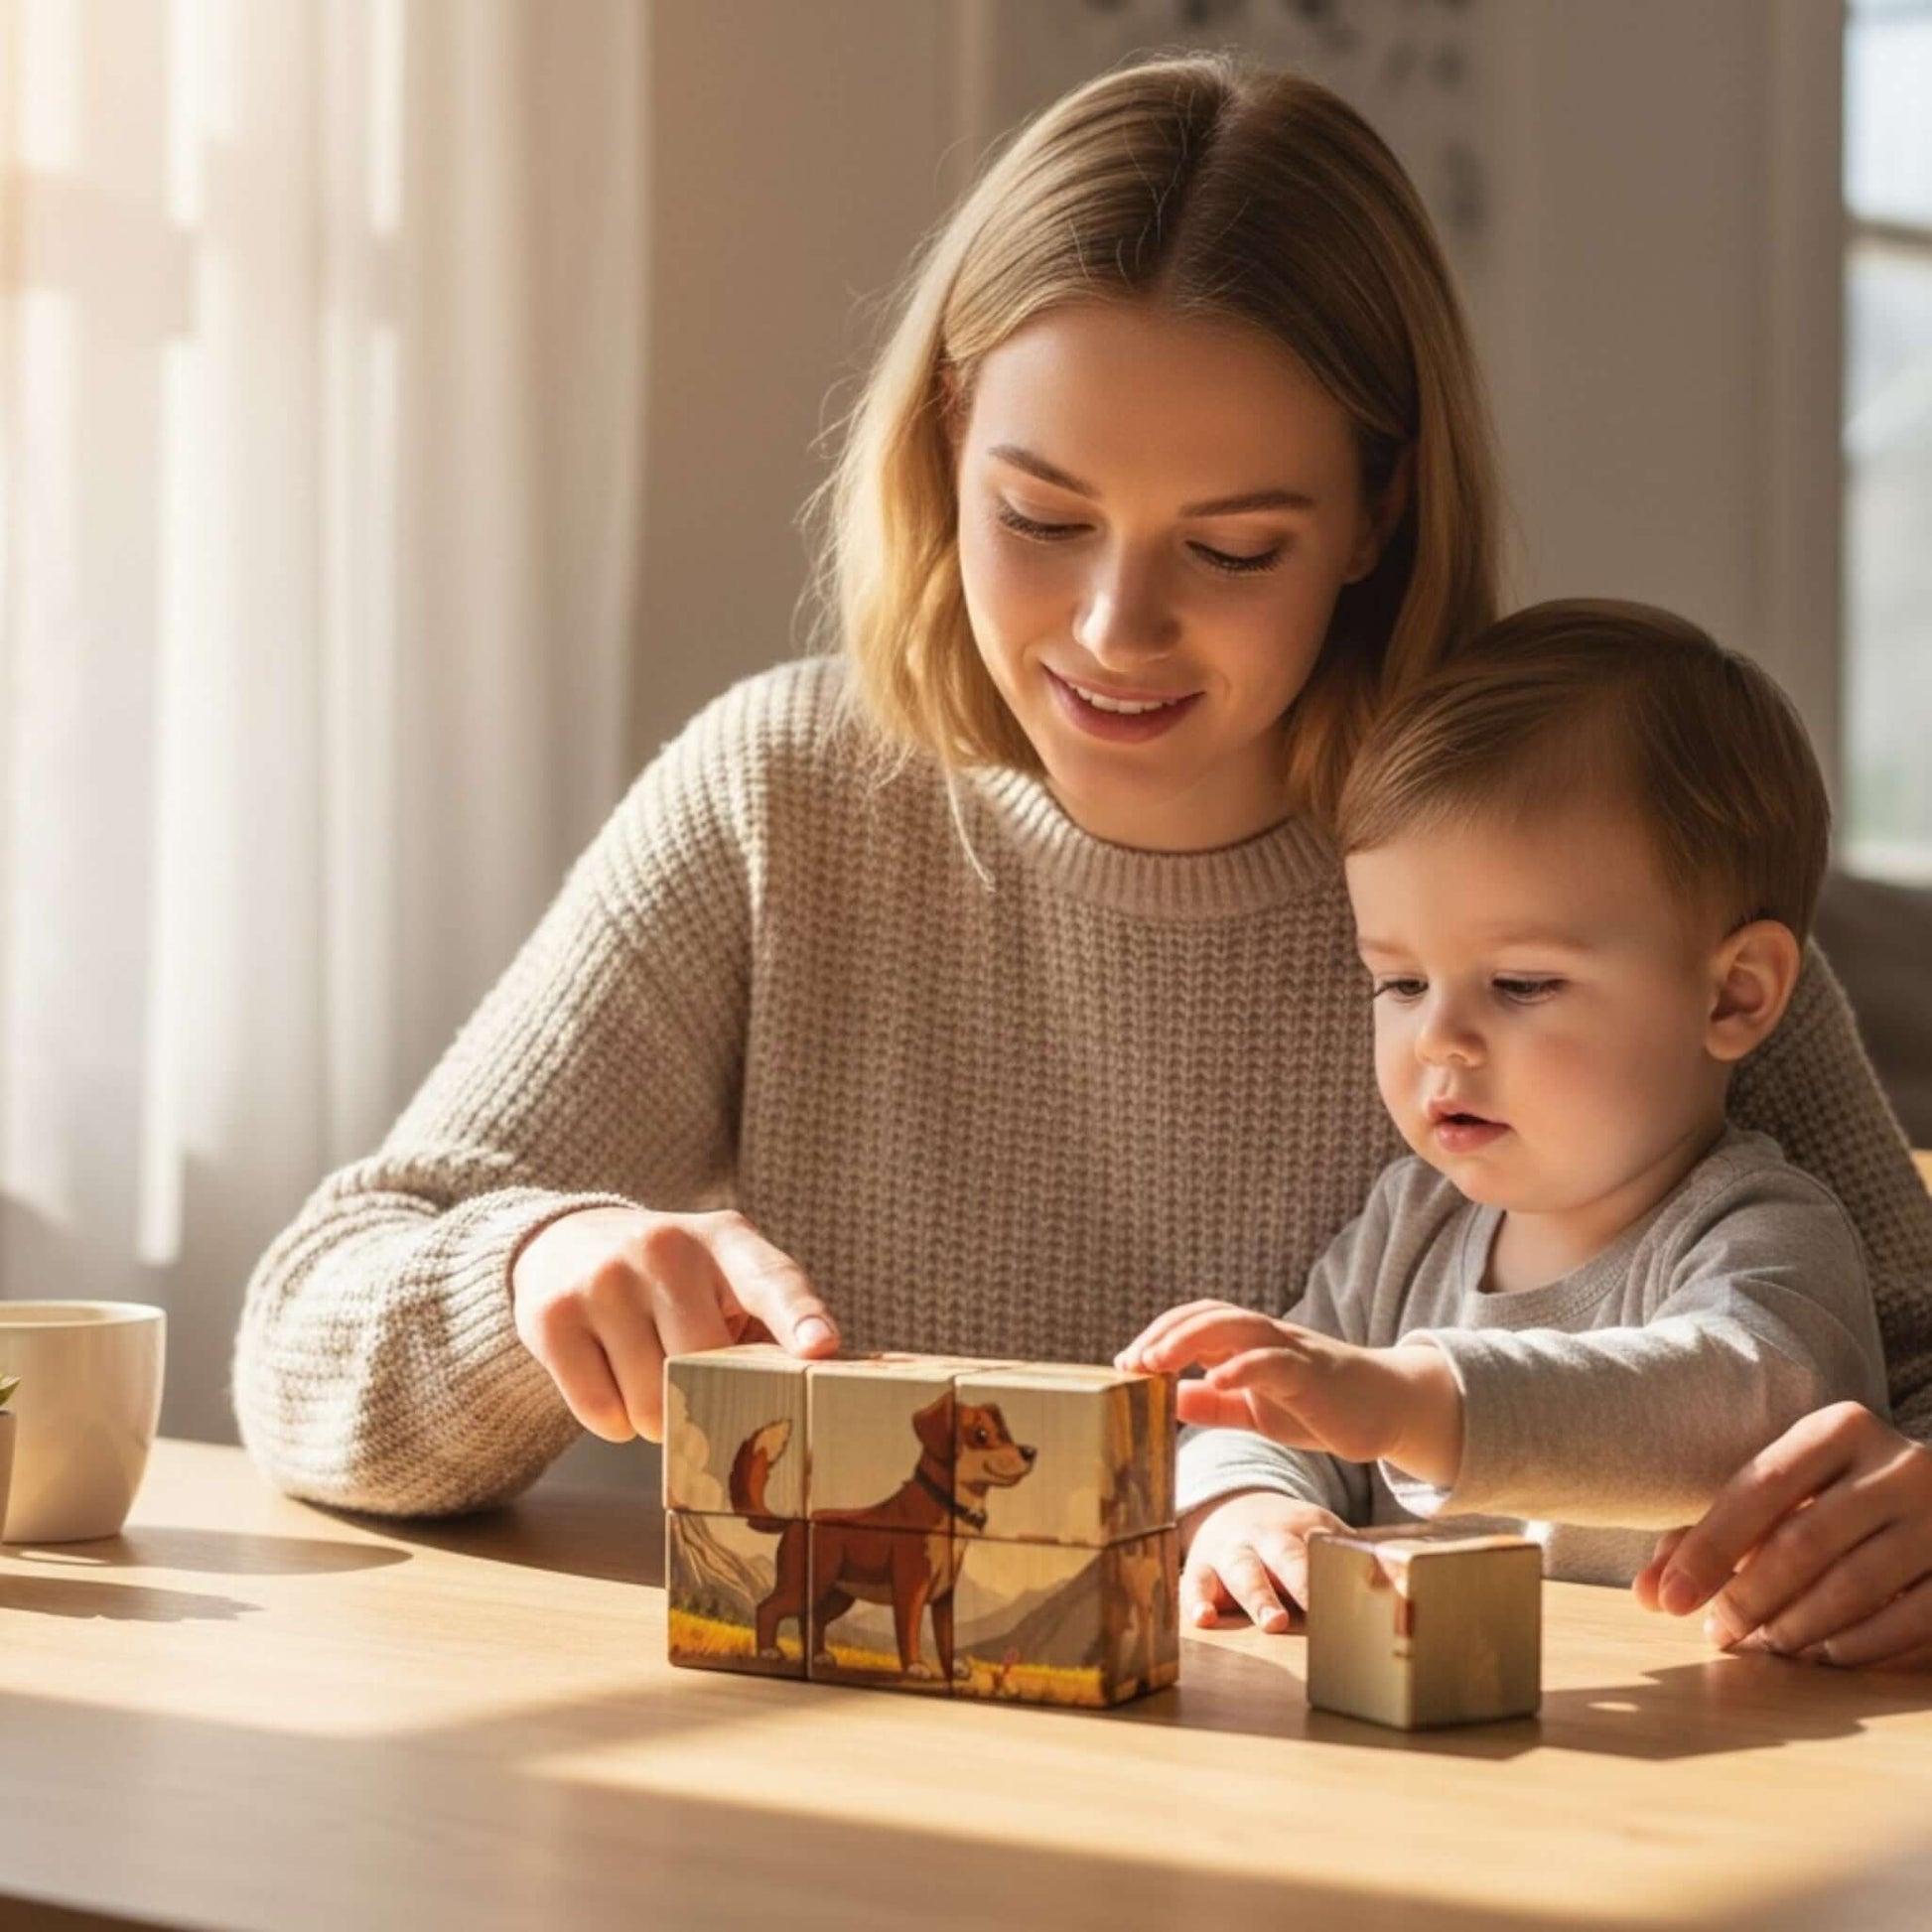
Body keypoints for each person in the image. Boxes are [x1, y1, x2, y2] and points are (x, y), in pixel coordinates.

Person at [231, 53, 1932, 1667]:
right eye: (1039, 518)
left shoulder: (1573, 862)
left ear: (1379, 511)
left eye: (1235, 544)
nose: (1117, 630)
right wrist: (527, 1272)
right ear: (945, 447)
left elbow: (1889, 1352)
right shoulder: (786, 798)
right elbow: (305, 1344)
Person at [1118, 601, 1890, 1623]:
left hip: (1700, 1761)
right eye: (1397, 983)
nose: (1439, 1037)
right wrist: (1246, 1504)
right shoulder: (1411, 1225)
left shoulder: (1761, 1230)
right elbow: (1264, 1411)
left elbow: (1743, 1414)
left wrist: (1410, 1401)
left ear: (1733, 993)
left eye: (1520, 983)